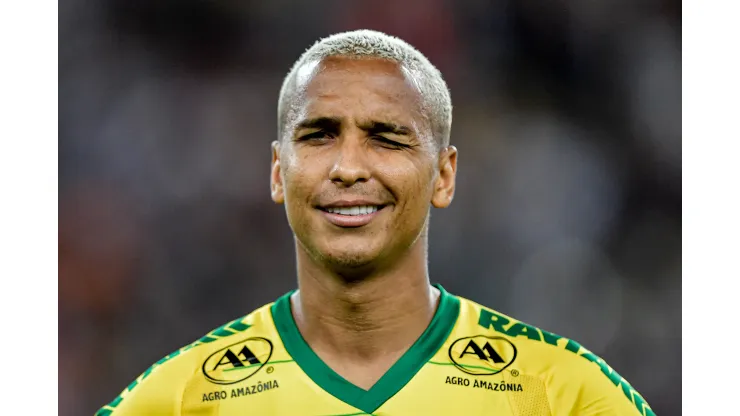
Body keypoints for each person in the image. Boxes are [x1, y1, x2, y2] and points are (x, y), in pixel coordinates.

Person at [95, 29, 654, 416]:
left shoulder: (563, 395)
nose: (348, 168)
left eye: (386, 138)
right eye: (318, 135)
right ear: (276, 172)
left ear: (443, 175)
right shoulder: (183, 399)